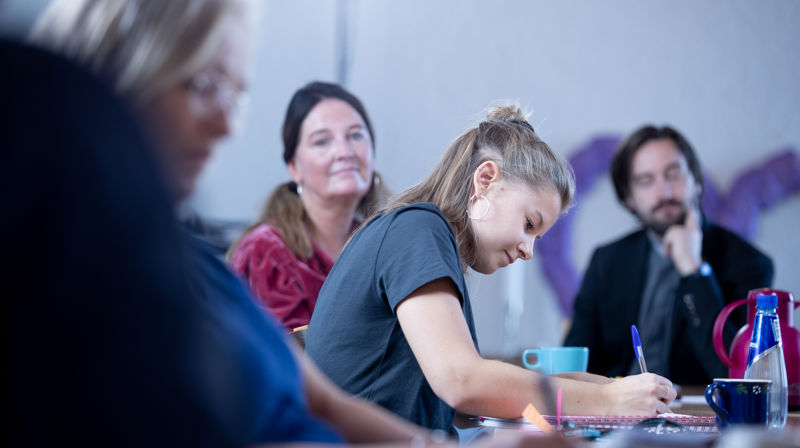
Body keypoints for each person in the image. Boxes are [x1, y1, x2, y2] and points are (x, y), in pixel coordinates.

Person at [26, 2, 571, 447]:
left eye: (357, 136)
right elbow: (454, 381)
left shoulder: (196, 267)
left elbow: (323, 403)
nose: (228, 124)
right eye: (204, 85)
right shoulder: (402, 233)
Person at [305, 105, 677, 434]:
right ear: (485, 180)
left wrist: (597, 388)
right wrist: (608, 401)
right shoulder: (418, 229)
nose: (528, 251)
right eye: (529, 224)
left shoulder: (419, 234)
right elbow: (462, 383)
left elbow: (463, 396)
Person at [564, 125, 774, 385]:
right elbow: (574, 368)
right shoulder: (606, 262)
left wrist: (694, 271)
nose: (664, 192)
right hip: (617, 404)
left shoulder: (749, 263)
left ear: (696, 182)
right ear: (629, 199)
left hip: (700, 407)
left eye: (673, 175)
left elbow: (740, 374)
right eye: (646, 181)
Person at [228, 81, 388, 330]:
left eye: (355, 135)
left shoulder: (381, 243)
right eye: (322, 141)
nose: (345, 152)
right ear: (294, 166)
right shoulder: (265, 251)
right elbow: (288, 352)